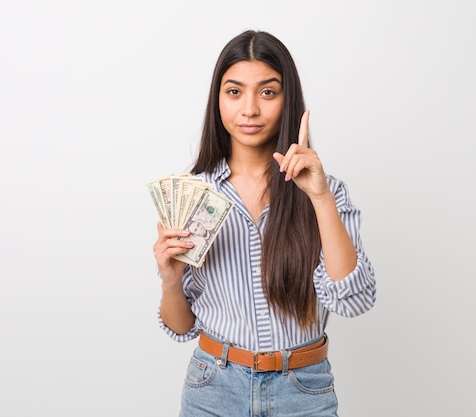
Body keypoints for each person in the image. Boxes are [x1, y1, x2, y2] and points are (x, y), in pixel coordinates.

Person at [153, 29, 376, 417]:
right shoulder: (193, 196)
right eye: (234, 92)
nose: (250, 109)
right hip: (213, 389)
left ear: (287, 99)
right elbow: (180, 327)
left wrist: (319, 198)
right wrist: (170, 281)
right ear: (217, 100)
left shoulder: (326, 192)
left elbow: (355, 299)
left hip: (303, 391)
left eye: (268, 92)